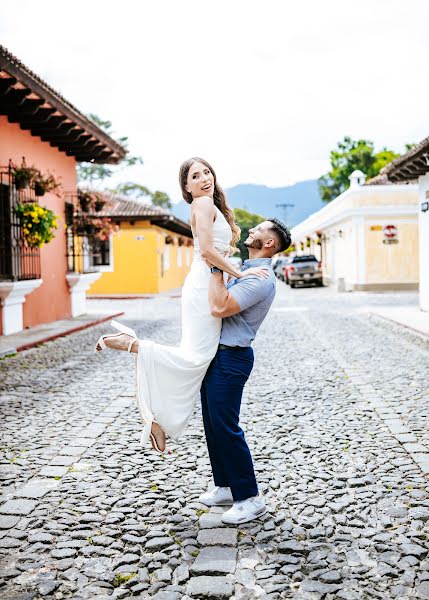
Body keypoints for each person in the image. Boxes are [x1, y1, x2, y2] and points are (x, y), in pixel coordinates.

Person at [94, 158, 268, 452]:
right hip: (203, 285)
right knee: (196, 358)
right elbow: (209, 251)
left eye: (207, 172)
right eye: (195, 176)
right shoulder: (201, 204)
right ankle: (129, 344)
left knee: (198, 359)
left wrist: (232, 274)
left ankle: (161, 422)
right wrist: (242, 272)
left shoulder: (211, 206)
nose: (204, 179)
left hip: (207, 283)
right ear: (187, 187)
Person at [198, 218, 291, 524]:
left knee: (227, 427)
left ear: (269, 244)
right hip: (216, 354)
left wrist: (215, 268)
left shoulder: (260, 278)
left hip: (231, 357)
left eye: (260, 229)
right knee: (213, 424)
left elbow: (220, 307)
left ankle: (249, 498)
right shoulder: (247, 269)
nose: (253, 230)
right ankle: (226, 486)